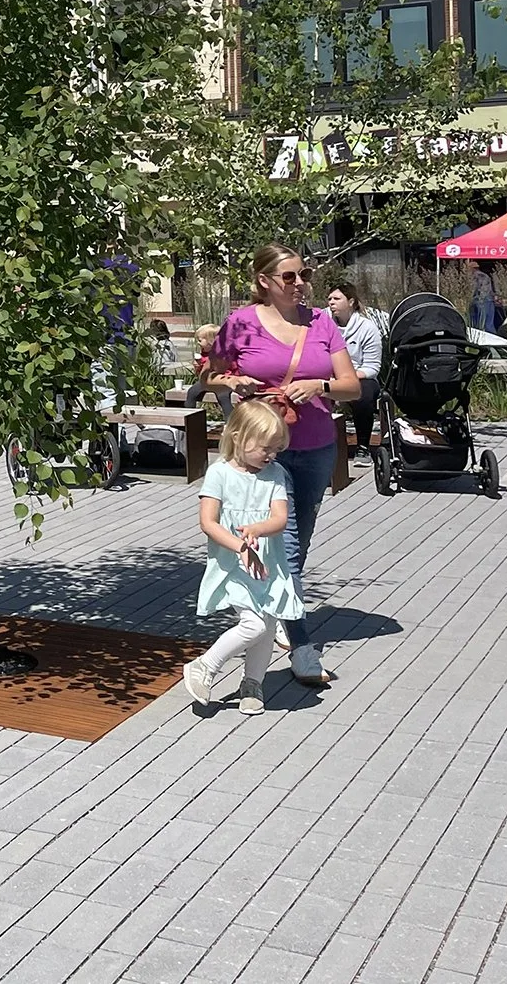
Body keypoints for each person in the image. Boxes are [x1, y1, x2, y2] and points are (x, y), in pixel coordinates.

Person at [205, 244, 361, 689]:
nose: (299, 284)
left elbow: (351, 386)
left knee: (298, 542)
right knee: (287, 546)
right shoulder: (240, 324)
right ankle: (302, 646)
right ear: (264, 281)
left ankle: (271, 614)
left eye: (303, 275)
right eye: (289, 276)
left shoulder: (321, 322)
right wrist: (233, 380)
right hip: (263, 452)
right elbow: (209, 377)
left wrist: (320, 385)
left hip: (314, 447)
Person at [181, 400, 303, 716]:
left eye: (275, 448)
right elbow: (208, 523)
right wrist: (241, 546)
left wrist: (258, 529)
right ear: (238, 437)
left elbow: (280, 519)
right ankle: (205, 665)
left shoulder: (275, 474)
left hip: (269, 565)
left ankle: (253, 683)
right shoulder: (219, 473)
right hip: (233, 564)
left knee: (268, 622)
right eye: (265, 448)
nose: (271, 455)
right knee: (253, 624)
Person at [327, 282, 384, 467]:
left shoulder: (367, 328)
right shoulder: (322, 323)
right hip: (327, 375)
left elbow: (372, 367)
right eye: (329, 299)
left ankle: (363, 447)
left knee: (364, 394)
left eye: (337, 298)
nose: (331, 302)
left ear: (351, 301)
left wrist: (346, 379)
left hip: (360, 376)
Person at [469, 263, 498, 335]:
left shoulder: (476, 276)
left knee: (479, 325)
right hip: (487, 300)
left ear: (472, 268)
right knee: (488, 324)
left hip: (480, 301)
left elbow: (474, 289)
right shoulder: (485, 276)